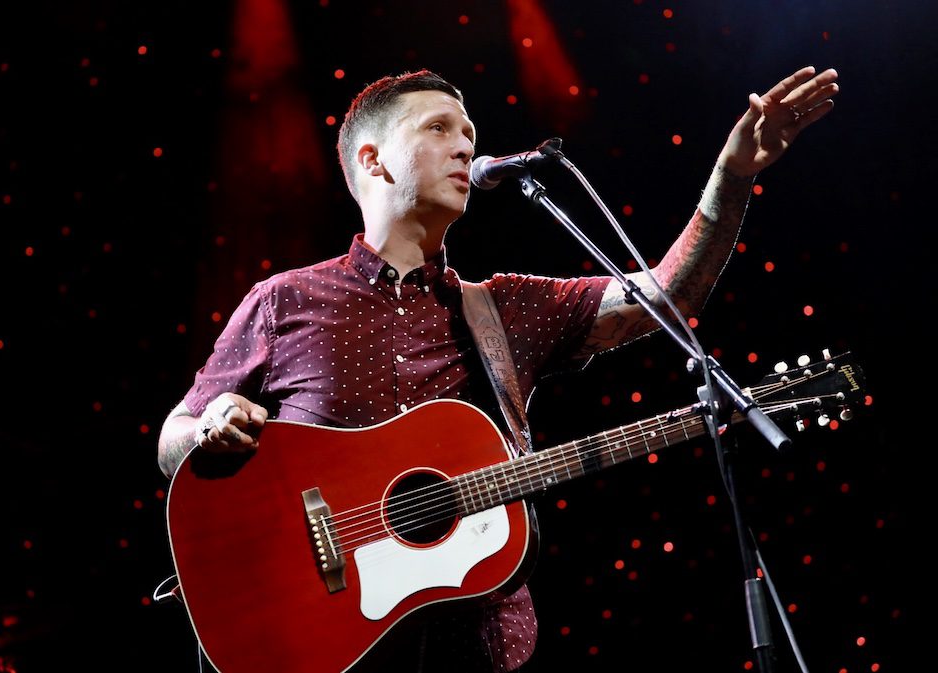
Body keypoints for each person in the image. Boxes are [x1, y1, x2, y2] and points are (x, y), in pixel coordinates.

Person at [157, 66, 839, 671]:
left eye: (470, 131)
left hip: (476, 650)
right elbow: (174, 435)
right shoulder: (286, 300)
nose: (466, 145)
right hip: (320, 643)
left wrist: (732, 178)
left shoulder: (505, 307)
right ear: (374, 159)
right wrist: (210, 422)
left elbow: (665, 295)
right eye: (439, 128)